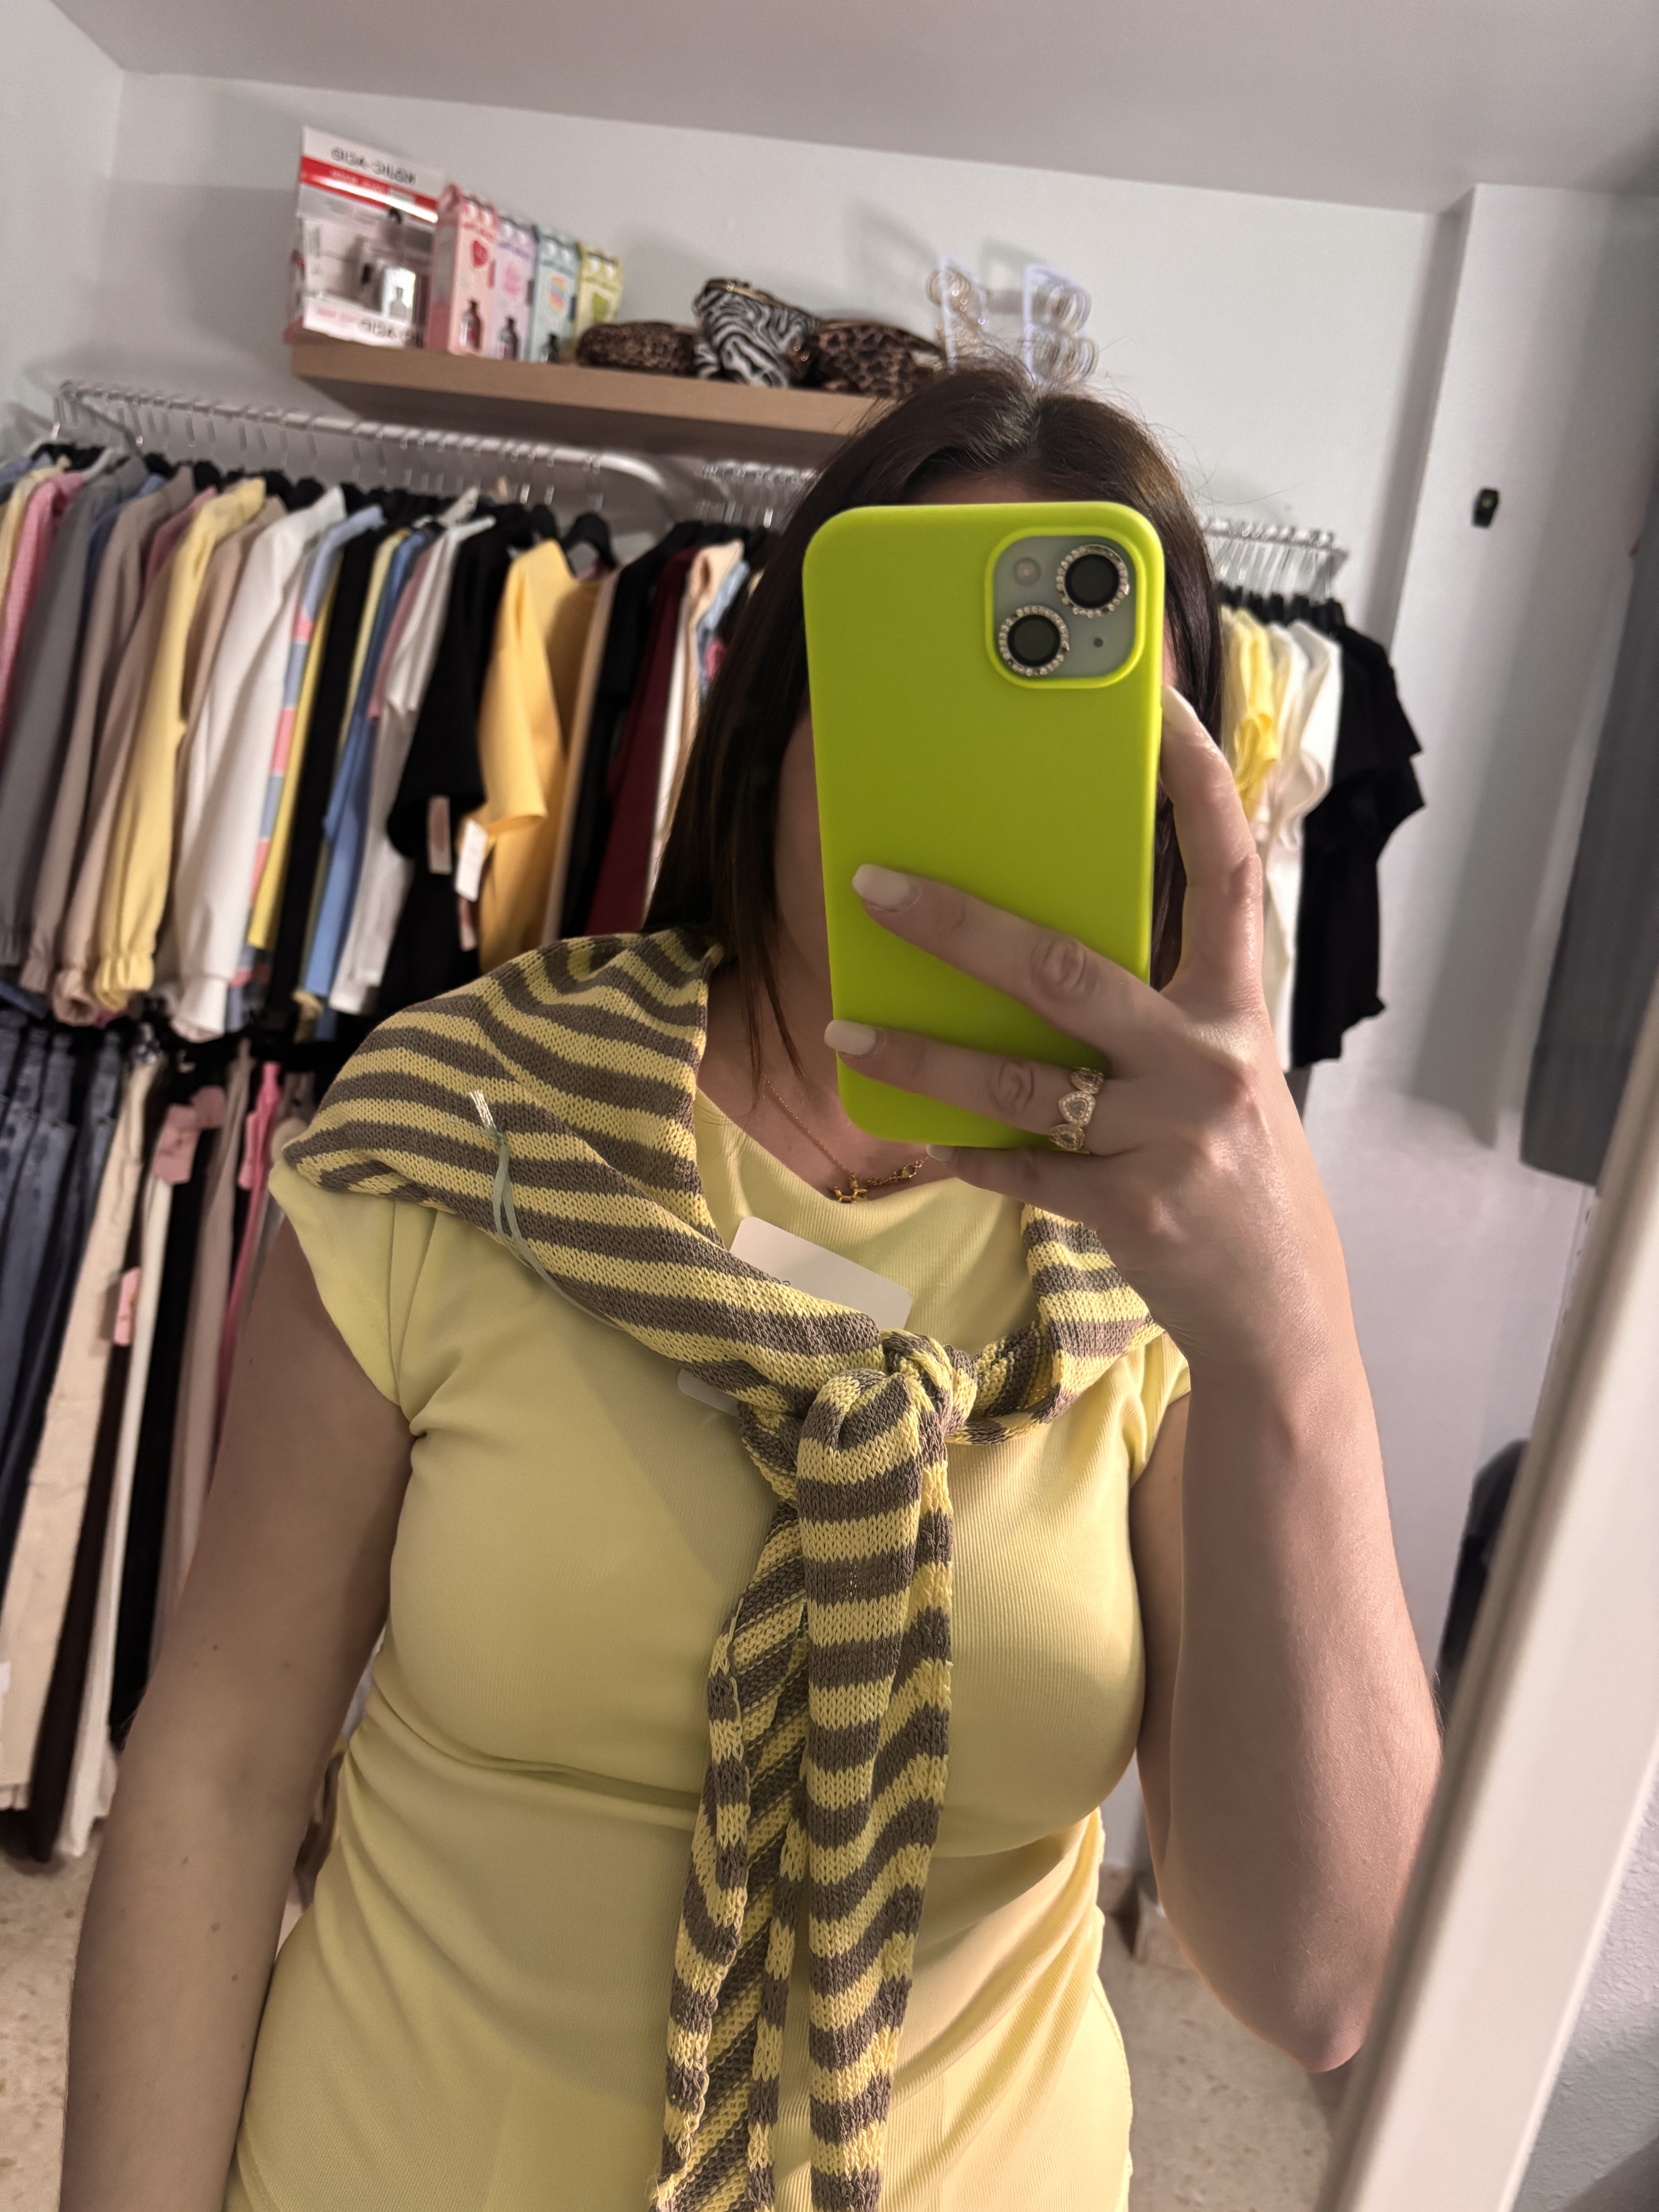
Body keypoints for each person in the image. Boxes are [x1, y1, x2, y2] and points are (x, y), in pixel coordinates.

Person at [62, 365, 1441, 2212]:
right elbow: (221, 1770)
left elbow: (1326, 1977)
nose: (959, 787)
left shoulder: (1181, 1250)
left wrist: (1290, 1349)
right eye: (905, 702)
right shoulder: (462, 1126)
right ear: (777, 713)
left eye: (1050, 736)